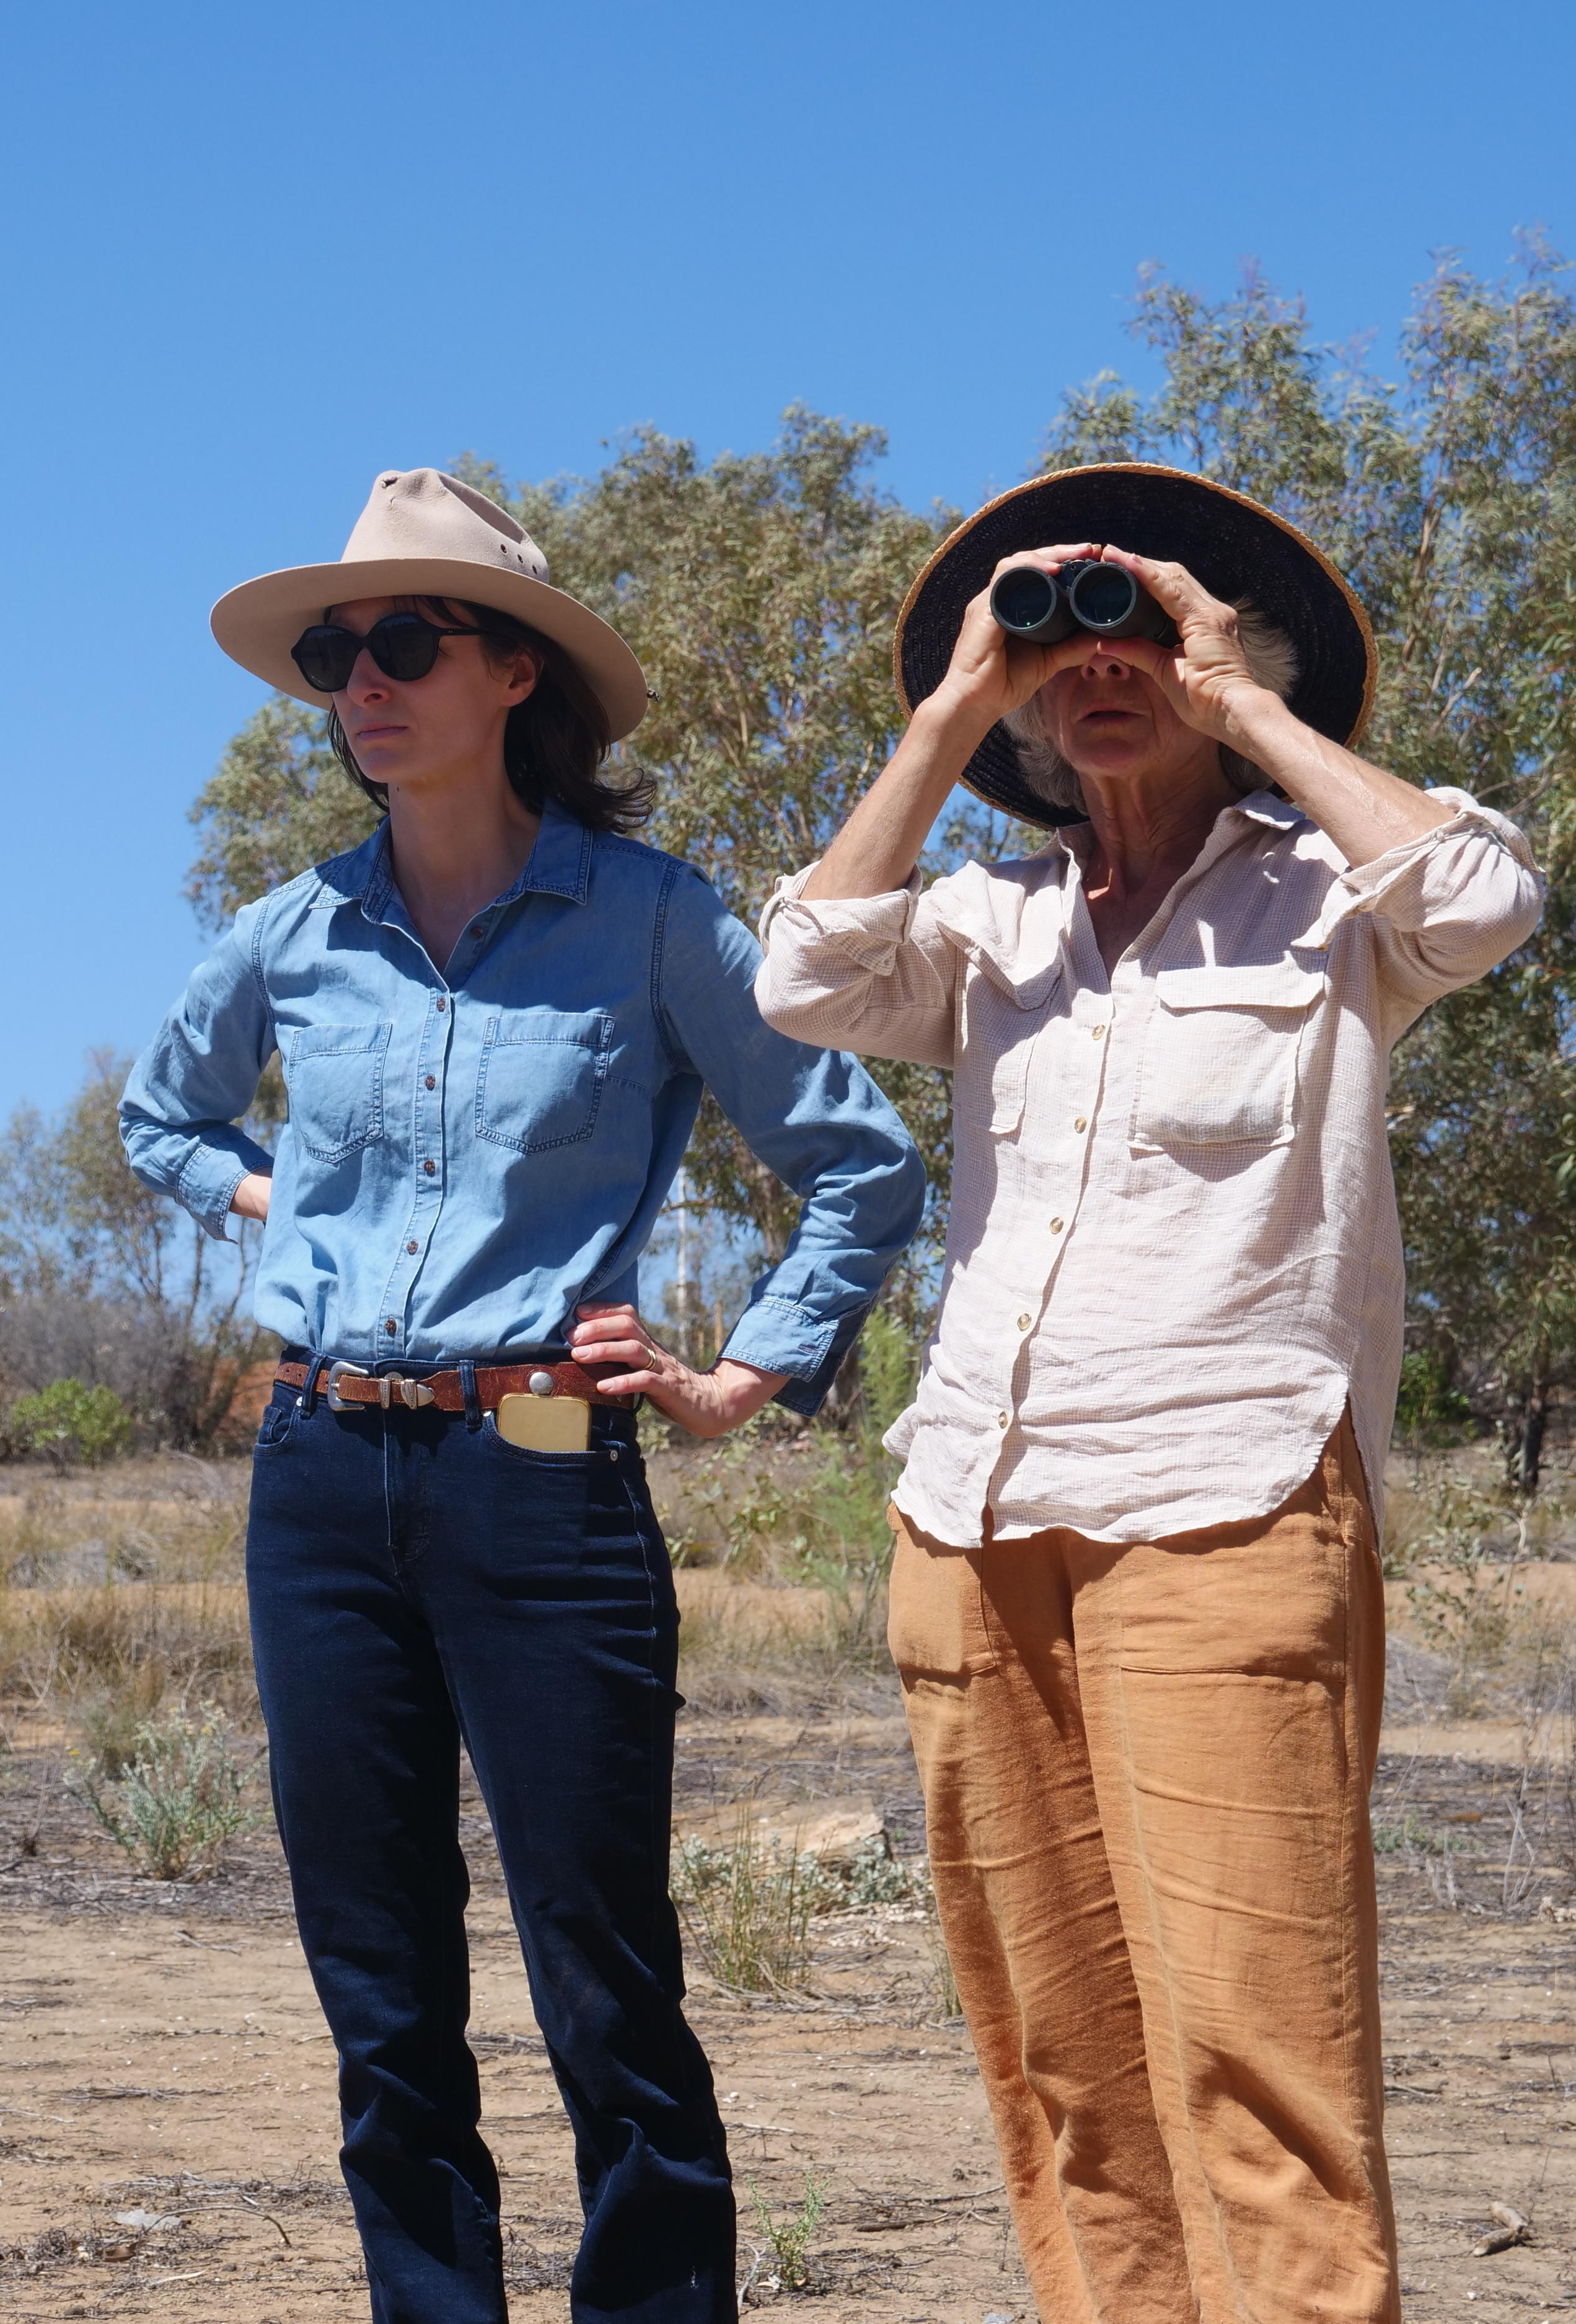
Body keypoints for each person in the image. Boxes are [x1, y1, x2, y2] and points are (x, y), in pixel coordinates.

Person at [120, 467, 923, 2323]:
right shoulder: (288, 935)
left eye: (406, 641)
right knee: (379, 1983)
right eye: (336, 654)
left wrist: (742, 1375)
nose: (363, 680)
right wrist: (291, 1208)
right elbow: (165, 1121)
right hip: (319, 1478)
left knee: (601, 1968)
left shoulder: (650, 920)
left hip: (547, 1467)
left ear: (513, 674)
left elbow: (862, 1161)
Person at [753, 462, 1544, 2324]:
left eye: (1145, 627)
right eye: (1062, 638)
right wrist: (957, 702)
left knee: (1264, 2055)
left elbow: (1487, 898)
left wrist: (1243, 705)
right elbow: (800, 976)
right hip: (972, 1521)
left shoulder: (1331, 902)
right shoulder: (987, 925)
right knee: (1066, 2064)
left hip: (1228, 1506)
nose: (1099, 663)